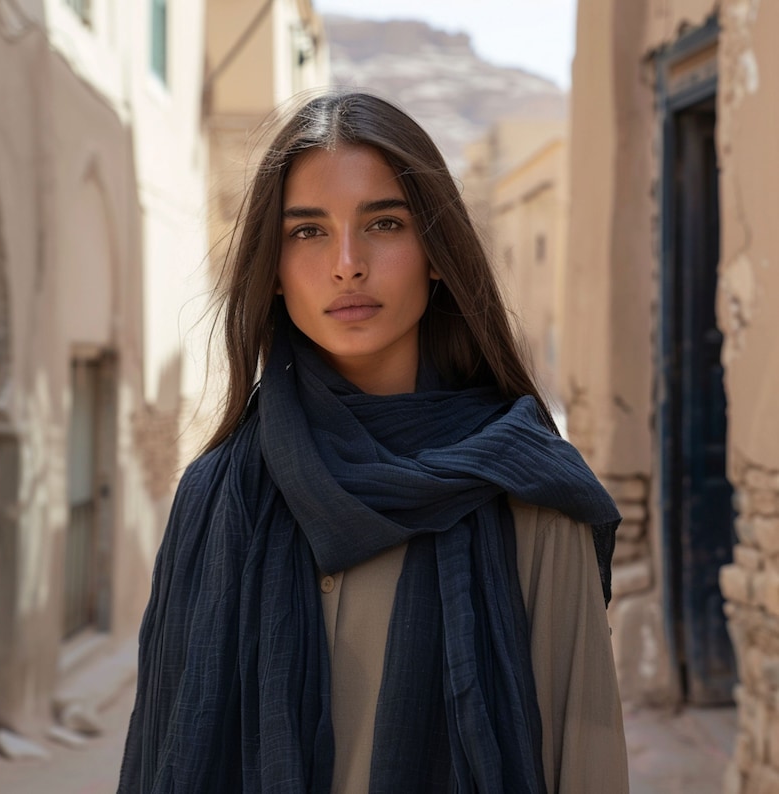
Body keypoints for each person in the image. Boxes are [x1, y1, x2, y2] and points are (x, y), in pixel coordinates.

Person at [119, 90, 629, 793]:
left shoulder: (528, 495)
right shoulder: (214, 500)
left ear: (438, 255)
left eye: (384, 223)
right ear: (271, 270)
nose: (347, 263)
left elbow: (587, 766)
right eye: (308, 232)